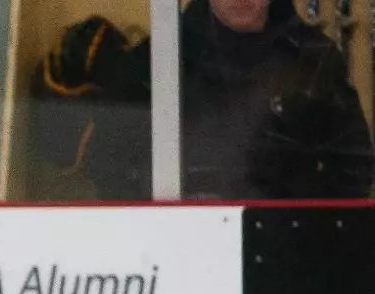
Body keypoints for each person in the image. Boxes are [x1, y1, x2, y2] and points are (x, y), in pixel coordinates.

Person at [31, 0, 373, 199]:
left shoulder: (315, 60)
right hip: (178, 264)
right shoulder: (154, 63)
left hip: (286, 264)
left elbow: (353, 169)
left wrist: (297, 220)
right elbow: (109, 165)